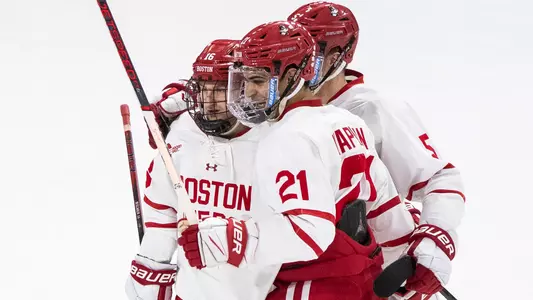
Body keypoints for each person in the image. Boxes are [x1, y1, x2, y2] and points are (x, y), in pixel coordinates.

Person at [177, 20, 417, 300]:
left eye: (258, 81)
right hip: (363, 279)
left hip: (315, 285)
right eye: (243, 82)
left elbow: (310, 233)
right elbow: (386, 210)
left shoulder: (289, 138)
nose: (248, 93)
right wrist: (406, 264)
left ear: (294, 74)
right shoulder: (345, 122)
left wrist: (227, 239)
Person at [288, 2, 466, 299]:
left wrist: (434, 239)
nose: (302, 61)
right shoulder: (282, 105)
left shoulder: (374, 109)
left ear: (339, 56)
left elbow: (442, 180)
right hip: (305, 272)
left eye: (313, 52)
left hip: (376, 274)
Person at [125, 39, 277, 300]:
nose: (209, 102)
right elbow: (163, 212)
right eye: (203, 91)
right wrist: (150, 271)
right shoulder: (182, 136)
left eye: (218, 90)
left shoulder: (276, 142)